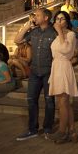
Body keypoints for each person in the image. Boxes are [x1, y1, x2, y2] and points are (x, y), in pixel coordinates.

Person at [15, 8, 57, 141]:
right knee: (31, 100)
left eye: (38, 15)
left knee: (49, 101)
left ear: (46, 18)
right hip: (34, 71)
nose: (35, 17)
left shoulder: (54, 33)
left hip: (49, 71)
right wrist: (27, 26)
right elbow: (17, 40)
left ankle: (47, 128)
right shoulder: (33, 31)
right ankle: (32, 129)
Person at [48, 11, 78, 143]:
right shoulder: (57, 36)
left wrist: (60, 32)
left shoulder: (70, 34)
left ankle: (61, 132)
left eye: (62, 19)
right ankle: (71, 131)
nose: (59, 21)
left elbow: (66, 50)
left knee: (62, 102)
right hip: (56, 67)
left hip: (64, 67)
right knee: (64, 102)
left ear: (67, 21)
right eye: (57, 19)